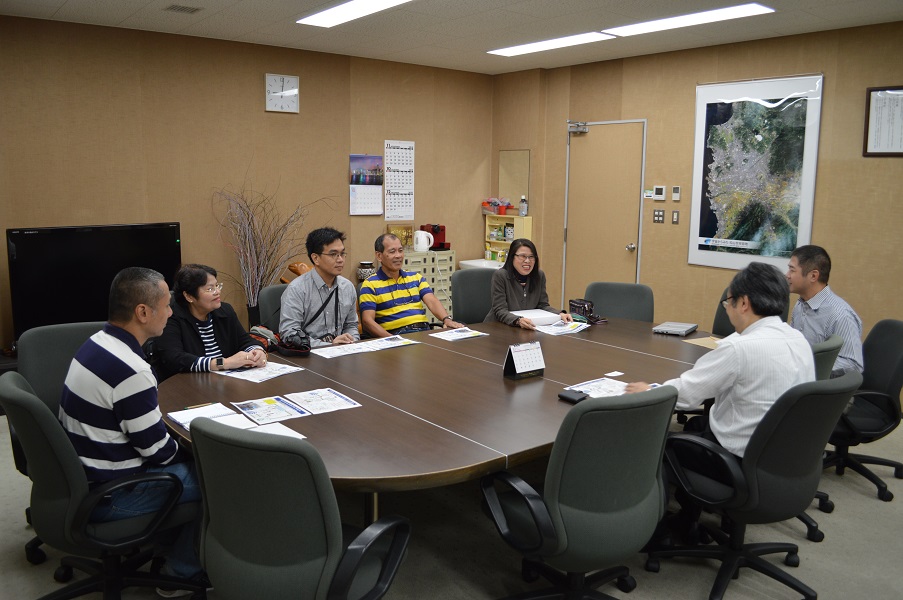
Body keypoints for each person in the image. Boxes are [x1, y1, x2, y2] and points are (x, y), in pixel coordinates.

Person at [58, 267, 206, 596]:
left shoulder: (97, 342)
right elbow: (159, 454)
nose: (171, 313)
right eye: (166, 306)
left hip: (85, 477)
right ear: (142, 312)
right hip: (113, 495)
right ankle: (180, 573)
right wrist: (196, 450)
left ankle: (165, 545)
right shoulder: (132, 370)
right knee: (219, 479)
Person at [626, 262, 815, 459]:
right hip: (785, 452)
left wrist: (649, 391)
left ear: (744, 303)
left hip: (738, 456)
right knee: (696, 424)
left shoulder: (738, 349)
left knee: (651, 444)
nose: (727, 309)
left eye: (728, 301)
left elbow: (686, 395)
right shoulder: (798, 339)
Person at [156, 264, 266, 381]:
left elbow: (245, 340)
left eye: (217, 286)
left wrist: (258, 351)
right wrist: (225, 363)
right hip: (187, 384)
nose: (217, 292)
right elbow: (174, 358)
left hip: (225, 381)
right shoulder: (171, 317)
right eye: (210, 289)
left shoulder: (225, 311)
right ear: (189, 296)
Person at [359, 233, 464, 336]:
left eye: (400, 250)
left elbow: (432, 301)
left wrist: (446, 319)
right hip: (396, 335)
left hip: (424, 332)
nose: (398, 255)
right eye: (392, 251)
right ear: (379, 256)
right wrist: (392, 339)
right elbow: (367, 321)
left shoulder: (416, 277)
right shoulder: (370, 285)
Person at [786, 244, 863, 376]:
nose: (787, 275)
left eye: (792, 270)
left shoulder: (841, 315)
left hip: (819, 385)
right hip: (798, 376)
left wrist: (809, 366)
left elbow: (853, 365)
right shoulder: (800, 304)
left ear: (813, 276)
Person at [279, 227, 360, 347]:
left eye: (342, 254)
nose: (340, 260)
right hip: (309, 353)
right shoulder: (297, 289)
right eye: (333, 254)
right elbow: (290, 334)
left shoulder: (347, 287)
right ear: (315, 258)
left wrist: (352, 341)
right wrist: (327, 346)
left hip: (342, 351)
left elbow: (351, 325)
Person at [484, 238, 573, 329]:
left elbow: (542, 305)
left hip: (526, 328)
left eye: (531, 257)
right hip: (499, 327)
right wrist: (518, 320)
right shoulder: (501, 275)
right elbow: (500, 310)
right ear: (512, 257)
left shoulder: (539, 275)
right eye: (522, 256)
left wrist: (559, 314)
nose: (527, 261)